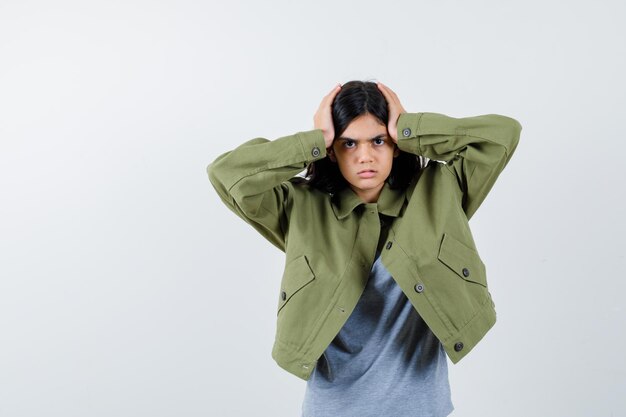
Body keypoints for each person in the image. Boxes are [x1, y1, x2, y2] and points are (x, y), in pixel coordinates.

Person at [207, 81, 522, 416]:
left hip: (422, 408)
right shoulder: (301, 208)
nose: (365, 156)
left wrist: (409, 127)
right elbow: (226, 174)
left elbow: (503, 135)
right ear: (332, 150)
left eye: (378, 140)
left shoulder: (439, 191)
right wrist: (313, 141)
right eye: (348, 143)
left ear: (395, 144)